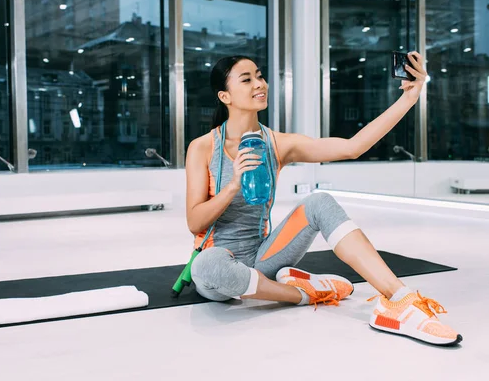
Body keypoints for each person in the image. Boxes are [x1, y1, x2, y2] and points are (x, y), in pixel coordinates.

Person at [185, 53, 462, 347]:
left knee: (319, 201)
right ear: (224, 96)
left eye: (260, 75)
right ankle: (306, 293)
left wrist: (409, 98)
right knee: (206, 266)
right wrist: (232, 186)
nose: (259, 83)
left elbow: (352, 147)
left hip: (262, 257)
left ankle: (400, 300)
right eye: (247, 79)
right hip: (218, 265)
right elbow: (194, 222)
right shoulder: (202, 147)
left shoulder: (279, 143)